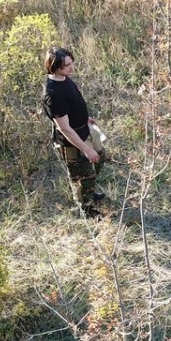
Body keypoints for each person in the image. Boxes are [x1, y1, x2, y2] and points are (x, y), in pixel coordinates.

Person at [42, 47, 107, 219]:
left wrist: (85, 118)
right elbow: (64, 128)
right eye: (66, 65)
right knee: (82, 176)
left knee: (99, 160)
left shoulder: (65, 78)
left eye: (72, 63)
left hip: (84, 129)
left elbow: (73, 105)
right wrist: (86, 149)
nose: (72, 68)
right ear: (54, 67)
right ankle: (86, 209)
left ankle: (90, 193)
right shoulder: (53, 94)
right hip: (72, 141)